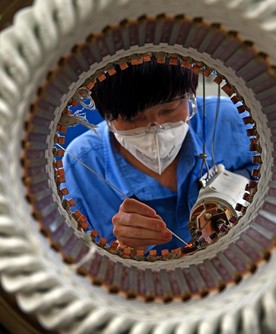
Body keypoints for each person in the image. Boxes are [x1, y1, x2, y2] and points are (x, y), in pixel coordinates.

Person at [62, 55, 254, 254]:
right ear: (107, 115)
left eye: (169, 110)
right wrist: (125, 252)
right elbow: (81, 264)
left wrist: (236, 192)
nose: (156, 129)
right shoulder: (81, 166)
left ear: (190, 95)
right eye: (133, 118)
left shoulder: (231, 120)